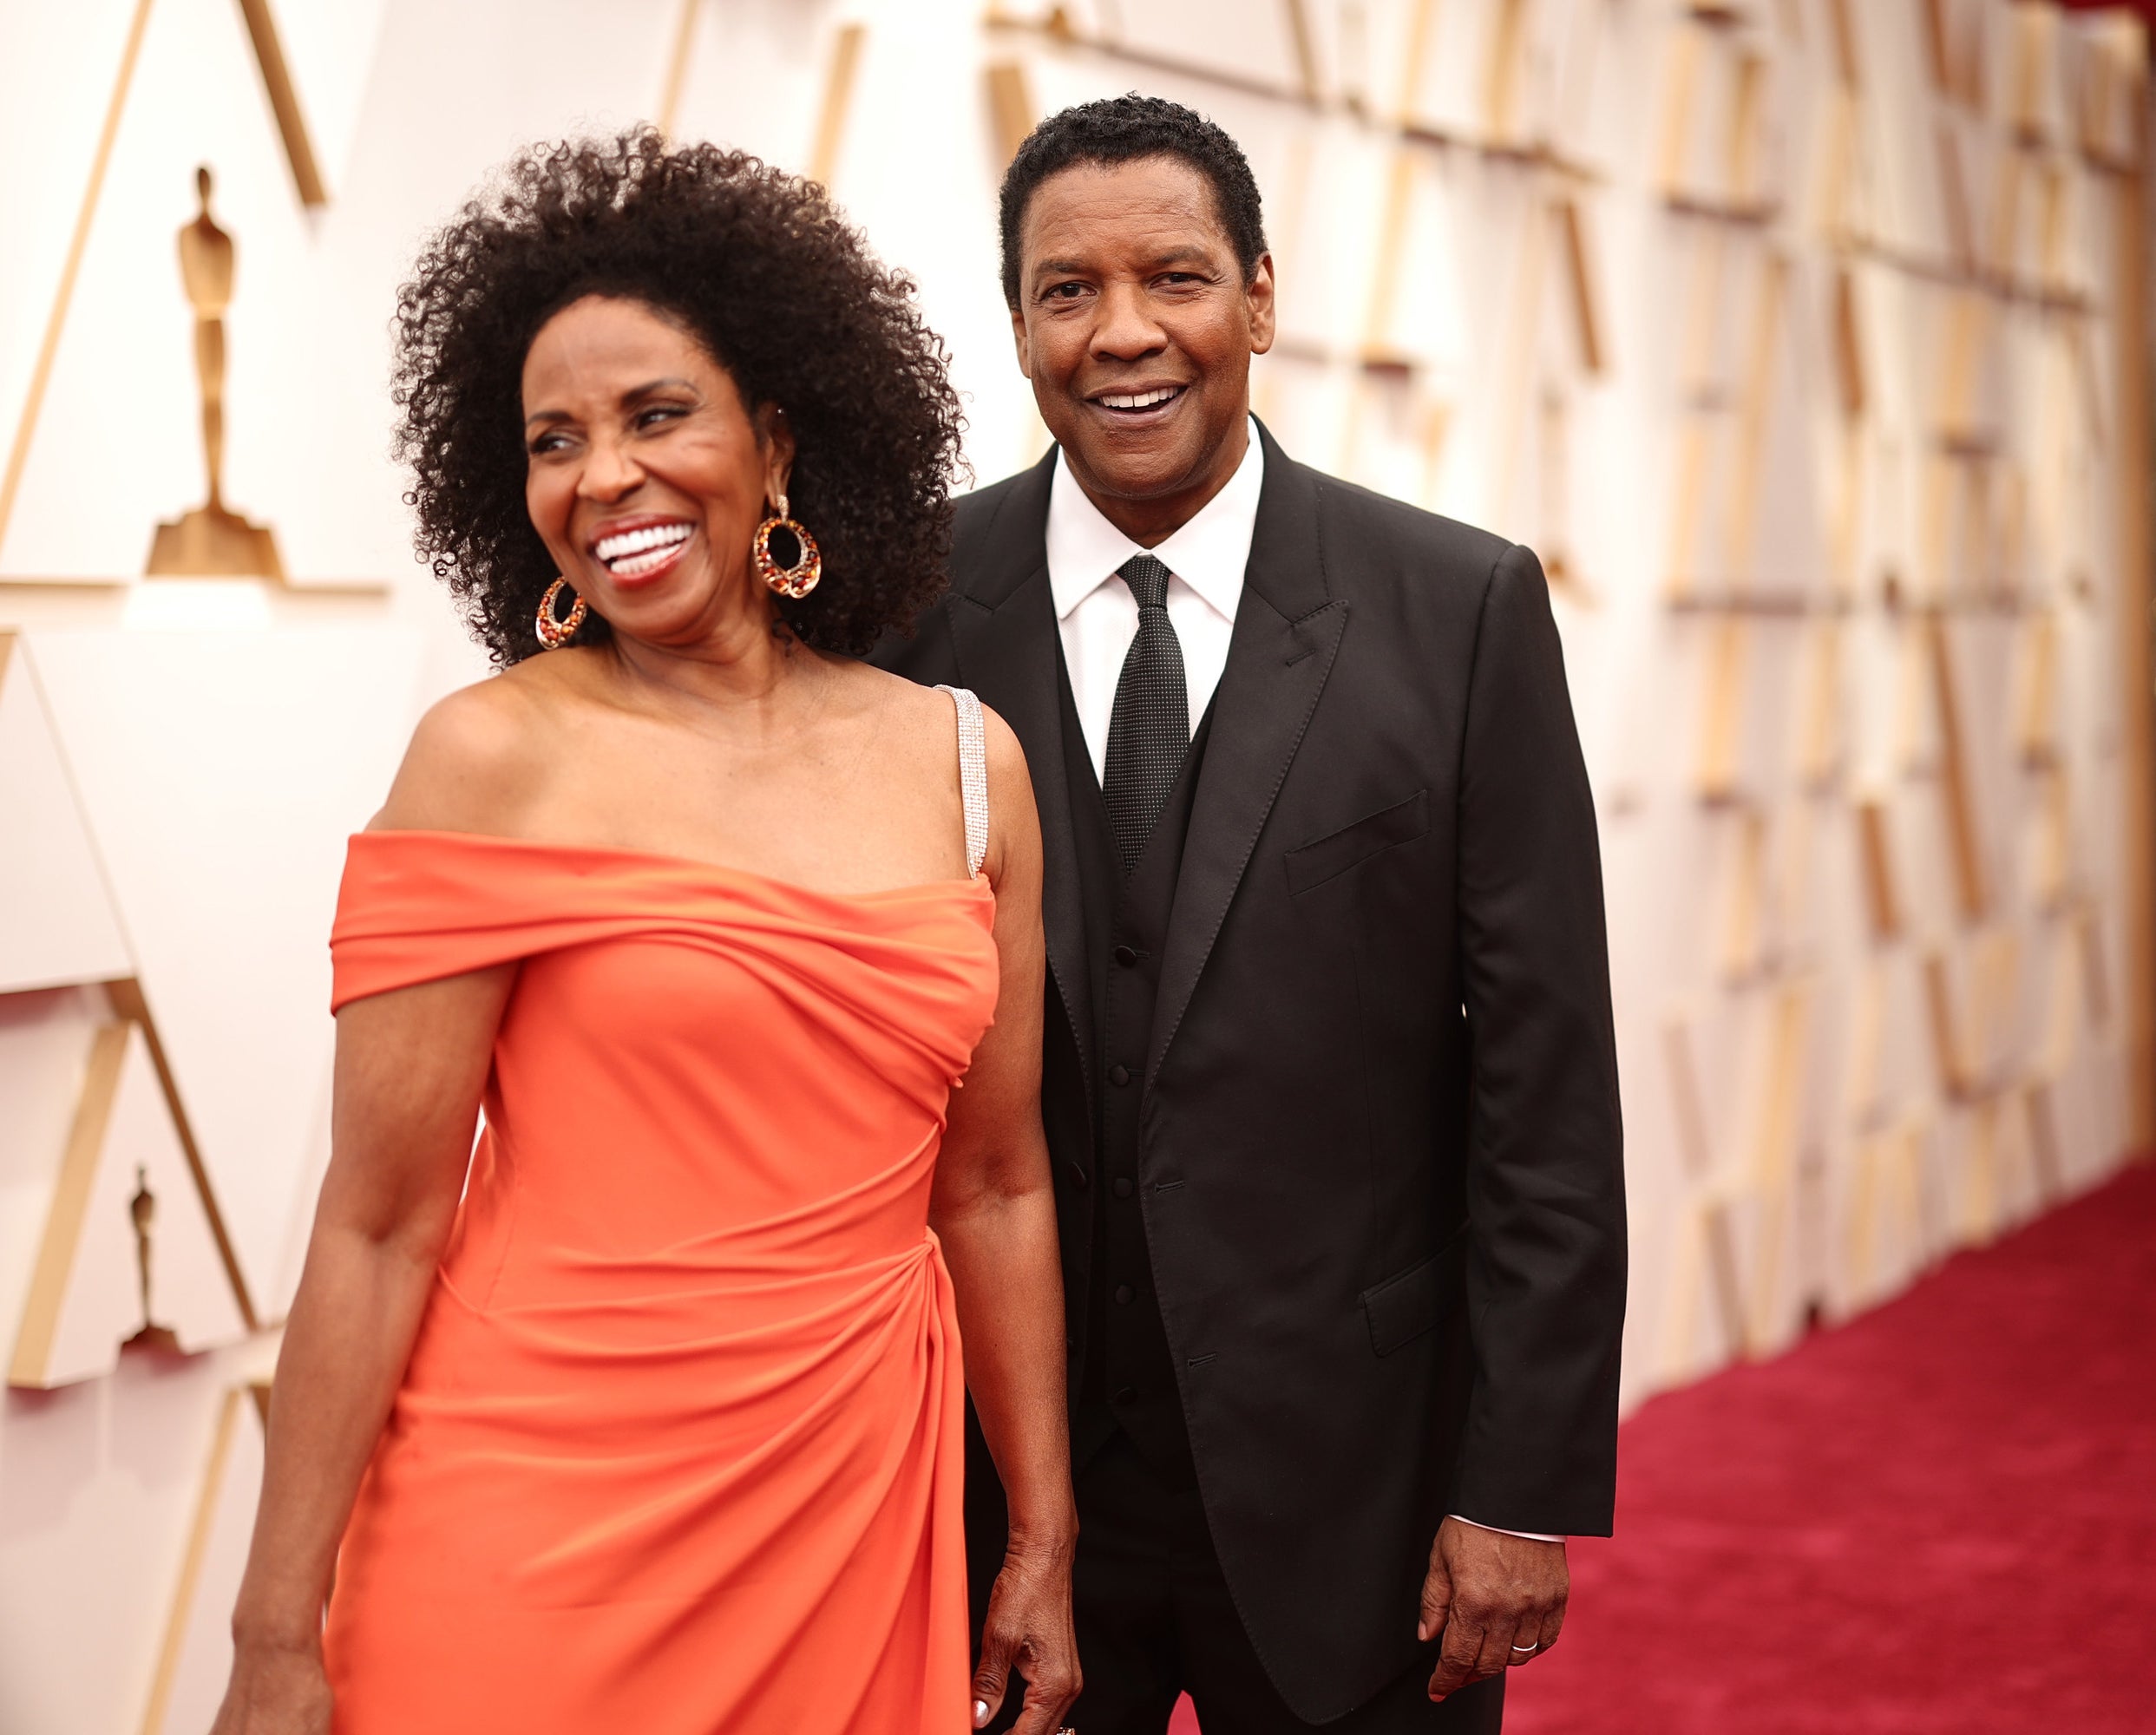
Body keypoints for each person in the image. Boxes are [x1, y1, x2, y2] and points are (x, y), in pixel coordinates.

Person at [210, 134, 1079, 1735]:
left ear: (779, 439)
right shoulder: (488, 759)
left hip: (848, 1505)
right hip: (533, 1517)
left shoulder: (966, 763)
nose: (600, 476)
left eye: (654, 415)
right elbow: (376, 1226)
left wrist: (1041, 1533)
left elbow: (997, 1180)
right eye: (553, 440)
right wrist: (275, 1633)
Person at [875, 95, 1627, 1734]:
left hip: (1356, 1491)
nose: (1123, 331)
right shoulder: (906, 612)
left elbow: (1544, 1092)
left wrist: (1519, 1486)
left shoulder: (1458, 607)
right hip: (1006, 1501)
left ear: (1263, 301)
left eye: (1178, 278)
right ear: (1014, 324)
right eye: (1066, 289)